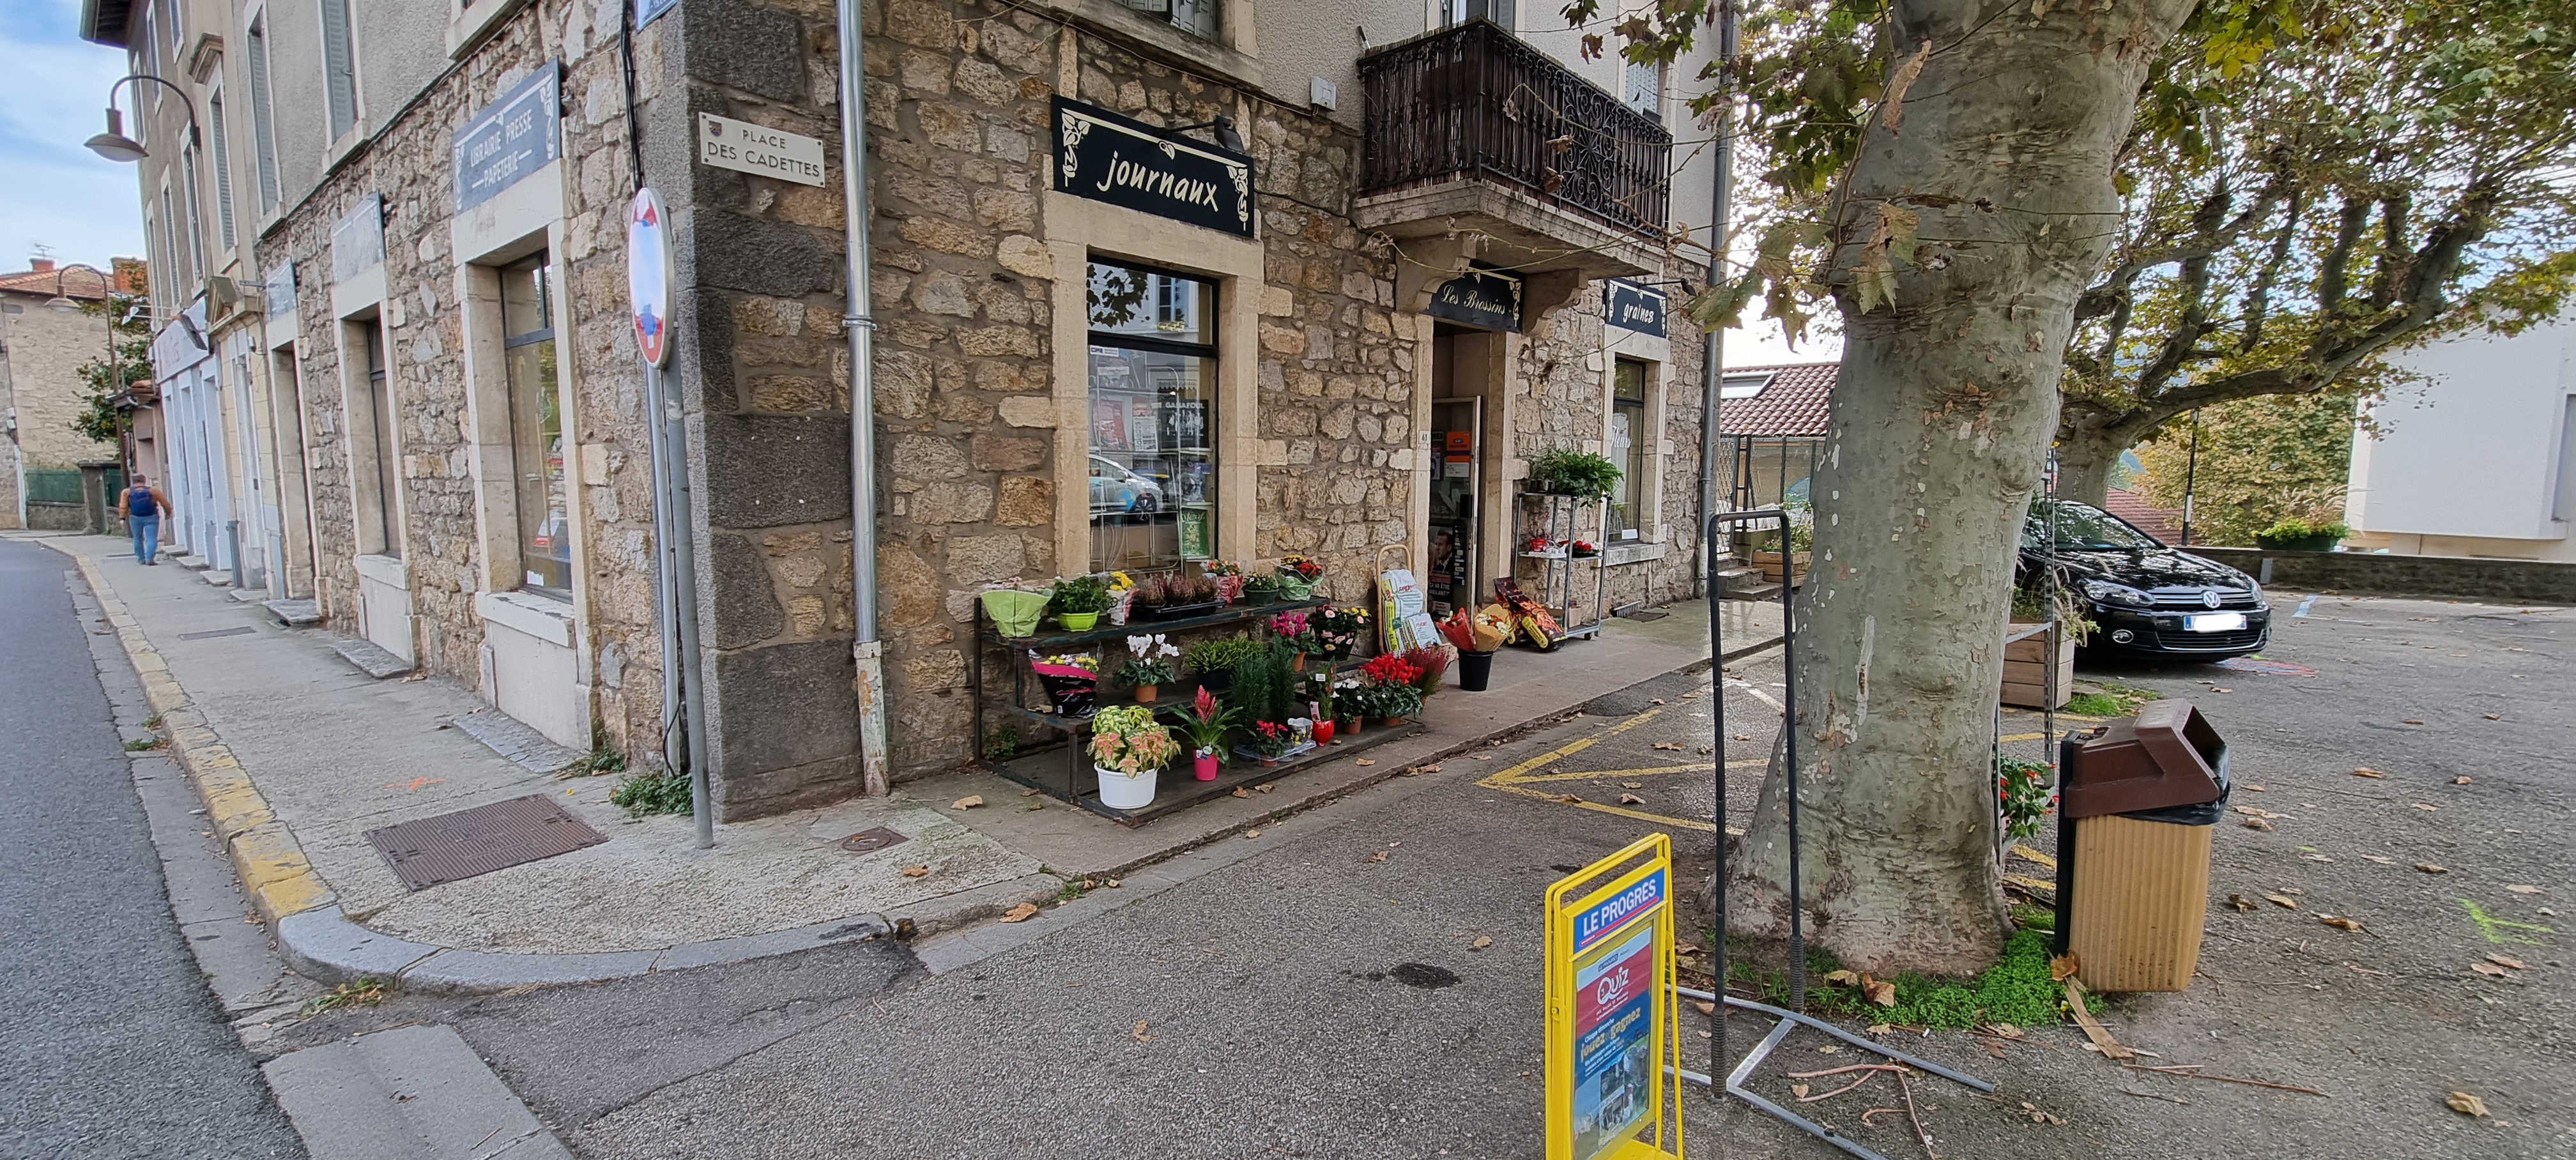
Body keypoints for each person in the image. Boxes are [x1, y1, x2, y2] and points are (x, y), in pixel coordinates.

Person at [123, 474, 170, 565]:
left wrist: (122, 517)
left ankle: (141, 558)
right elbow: (165, 503)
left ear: (133, 481)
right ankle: (150, 558)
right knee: (151, 538)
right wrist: (168, 513)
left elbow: (123, 506)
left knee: (137, 538)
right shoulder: (154, 491)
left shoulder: (127, 492)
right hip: (152, 517)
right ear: (144, 481)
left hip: (135, 518)